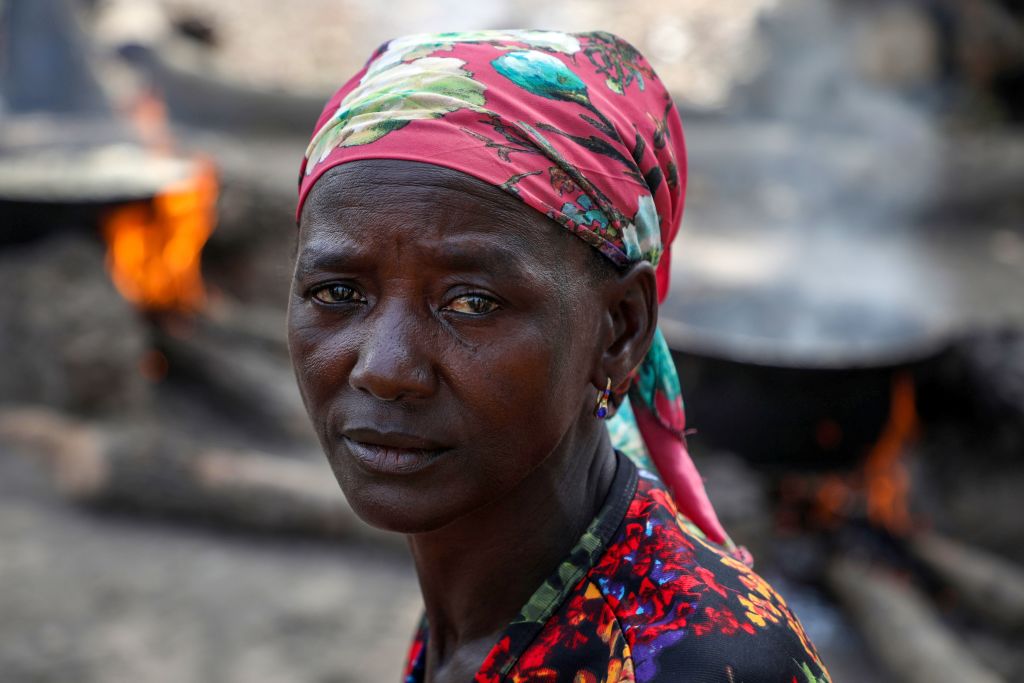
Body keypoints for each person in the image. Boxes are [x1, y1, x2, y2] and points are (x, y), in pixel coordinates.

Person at [288, 30, 831, 682]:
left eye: (472, 302)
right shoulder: (484, 594)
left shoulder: (699, 663)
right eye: (338, 292)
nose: (385, 367)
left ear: (618, 331)